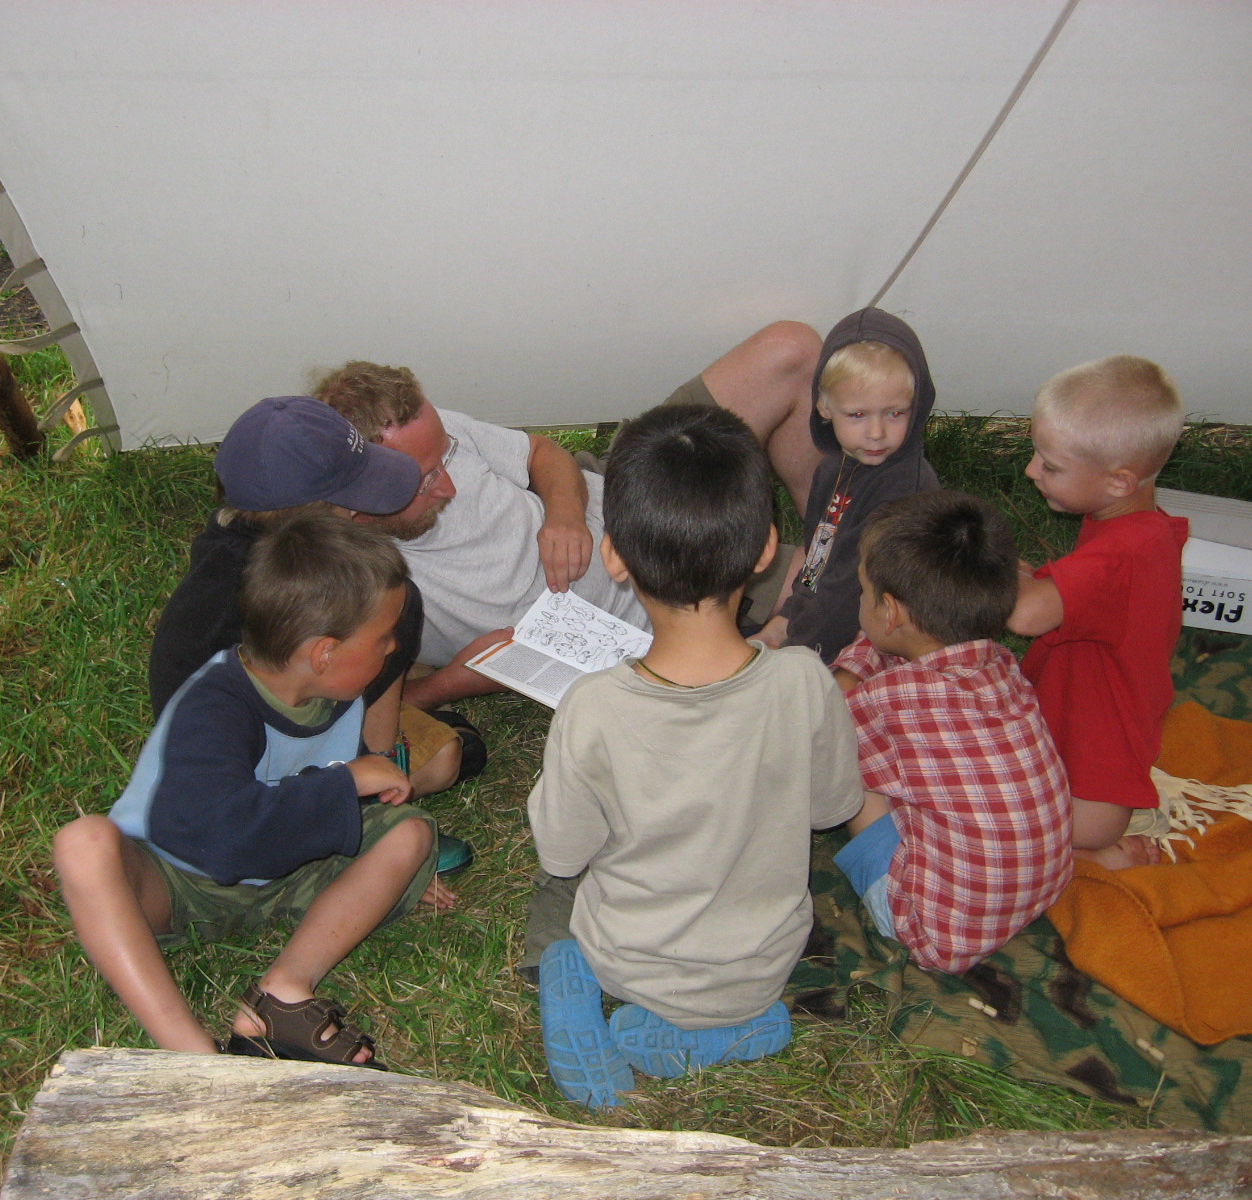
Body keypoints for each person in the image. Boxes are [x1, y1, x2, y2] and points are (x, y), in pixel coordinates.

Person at [524, 406, 864, 1108]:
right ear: (766, 549)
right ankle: (731, 1029)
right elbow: (834, 808)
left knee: (554, 900)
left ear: (614, 556)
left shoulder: (593, 707)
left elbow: (561, 852)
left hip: (625, 962)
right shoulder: (804, 680)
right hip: (762, 966)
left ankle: (569, 987)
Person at [53, 514, 452, 1066]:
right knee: (83, 844)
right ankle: (196, 1056)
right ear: (324, 653)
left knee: (409, 835)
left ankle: (283, 992)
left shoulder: (335, 688)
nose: (393, 647)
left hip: (289, 869)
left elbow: (312, 799)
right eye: (383, 637)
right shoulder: (214, 705)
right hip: (180, 880)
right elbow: (224, 839)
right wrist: (346, 783)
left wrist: (382, 866)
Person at [313, 321, 825, 709]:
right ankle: (819, 555)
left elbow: (540, 453)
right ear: (358, 507)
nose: (448, 485)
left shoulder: (417, 430)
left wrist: (564, 515)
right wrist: (451, 684)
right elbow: (355, 709)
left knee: (792, 348)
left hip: (621, 483)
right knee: (833, 582)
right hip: (680, 594)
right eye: (423, 481)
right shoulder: (342, 576)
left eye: (445, 457)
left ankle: (823, 522)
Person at [146, 395, 484, 830]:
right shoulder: (346, 592)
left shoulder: (228, 545)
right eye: (352, 501)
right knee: (449, 754)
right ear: (317, 516)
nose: (362, 509)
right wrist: (380, 780)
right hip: (266, 782)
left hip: (210, 754)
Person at [830, 491, 1073, 975]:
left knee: (851, 769)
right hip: (1044, 887)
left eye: (862, 590)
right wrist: (856, 670)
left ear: (890, 611)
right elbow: (884, 644)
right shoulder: (999, 664)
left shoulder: (887, 705)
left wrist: (839, 691)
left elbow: (813, 750)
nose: (859, 599)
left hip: (936, 934)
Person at [1008, 356, 1189, 870]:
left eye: (1051, 466)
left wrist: (994, 567)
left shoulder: (1122, 554)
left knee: (1002, 822)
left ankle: (1091, 857)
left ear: (1118, 482)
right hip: (1087, 714)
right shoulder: (1138, 527)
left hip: (1093, 771)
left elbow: (1025, 616)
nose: (1031, 470)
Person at [754, 307, 939, 663]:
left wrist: (801, 650)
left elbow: (846, 590)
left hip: (886, 643)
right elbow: (819, 560)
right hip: (831, 627)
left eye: (894, 413)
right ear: (824, 407)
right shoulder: (832, 471)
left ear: (916, 407)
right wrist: (784, 622)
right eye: (857, 415)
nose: (876, 432)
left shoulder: (905, 492)